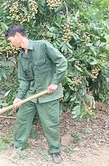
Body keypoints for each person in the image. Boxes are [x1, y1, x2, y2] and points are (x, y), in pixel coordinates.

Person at [5, 25, 67, 164]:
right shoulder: (22, 56)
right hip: (31, 95)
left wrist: (55, 82)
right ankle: (18, 143)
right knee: (22, 118)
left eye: (10, 40)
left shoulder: (43, 46)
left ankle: (55, 150)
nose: (10, 44)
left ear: (18, 36)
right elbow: (24, 80)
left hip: (48, 95)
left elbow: (62, 62)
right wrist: (19, 97)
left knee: (51, 124)